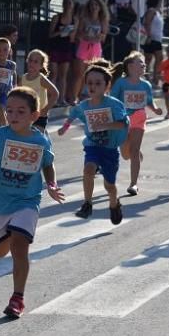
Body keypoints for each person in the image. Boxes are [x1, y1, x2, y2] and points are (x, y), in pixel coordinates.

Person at [0, 87, 65, 319]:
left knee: (19, 245)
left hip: (27, 200)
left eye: (20, 111)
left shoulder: (40, 139)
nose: (13, 116)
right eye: (10, 111)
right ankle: (4, 234)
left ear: (34, 116)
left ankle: (17, 298)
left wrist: (52, 185)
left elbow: (48, 164)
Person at [58, 61, 129, 224]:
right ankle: (87, 204)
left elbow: (123, 123)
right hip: (93, 146)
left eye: (98, 83)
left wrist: (105, 124)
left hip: (110, 149)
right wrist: (65, 127)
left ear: (107, 85)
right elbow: (73, 113)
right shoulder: (84, 105)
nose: (92, 86)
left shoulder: (114, 104)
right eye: (89, 83)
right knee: (88, 170)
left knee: (109, 186)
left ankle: (114, 203)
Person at [111, 52, 163, 196]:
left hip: (139, 117)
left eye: (144, 63)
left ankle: (133, 184)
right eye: (140, 62)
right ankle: (135, 152)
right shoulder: (121, 83)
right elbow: (112, 99)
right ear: (130, 66)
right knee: (126, 154)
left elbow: (149, 101)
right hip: (123, 120)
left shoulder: (146, 84)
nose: (144, 65)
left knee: (133, 151)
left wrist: (156, 109)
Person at [71, 0, 109, 101]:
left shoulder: (102, 20)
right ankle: (74, 97)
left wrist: (98, 36)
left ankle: (88, 96)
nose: (94, 7)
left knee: (92, 74)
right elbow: (79, 33)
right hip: (84, 45)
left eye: (96, 5)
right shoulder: (84, 19)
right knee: (79, 74)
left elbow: (104, 36)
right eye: (92, 5)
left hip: (95, 47)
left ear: (100, 7)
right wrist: (85, 36)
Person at [19, 49, 60, 133]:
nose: (32, 64)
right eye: (30, 60)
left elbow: (55, 93)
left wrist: (45, 110)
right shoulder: (22, 79)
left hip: (39, 116)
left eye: (36, 62)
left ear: (41, 66)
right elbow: (17, 96)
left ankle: (46, 141)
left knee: (37, 139)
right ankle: (45, 136)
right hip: (26, 115)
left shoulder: (41, 79)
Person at [46, 0, 78, 104]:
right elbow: (50, 34)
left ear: (73, 5)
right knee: (53, 73)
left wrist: (71, 33)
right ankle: (51, 98)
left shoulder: (75, 20)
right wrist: (61, 31)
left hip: (67, 48)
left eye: (71, 3)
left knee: (63, 75)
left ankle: (61, 99)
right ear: (63, 5)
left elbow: (73, 38)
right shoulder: (56, 17)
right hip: (55, 47)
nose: (69, 5)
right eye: (67, 3)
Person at [143, 0, 165, 85]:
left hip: (157, 38)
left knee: (154, 58)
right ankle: (150, 77)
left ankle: (153, 77)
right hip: (152, 38)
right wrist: (148, 36)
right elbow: (147, 23)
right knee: (154, 58)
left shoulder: (158, 12)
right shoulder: (151, 11)